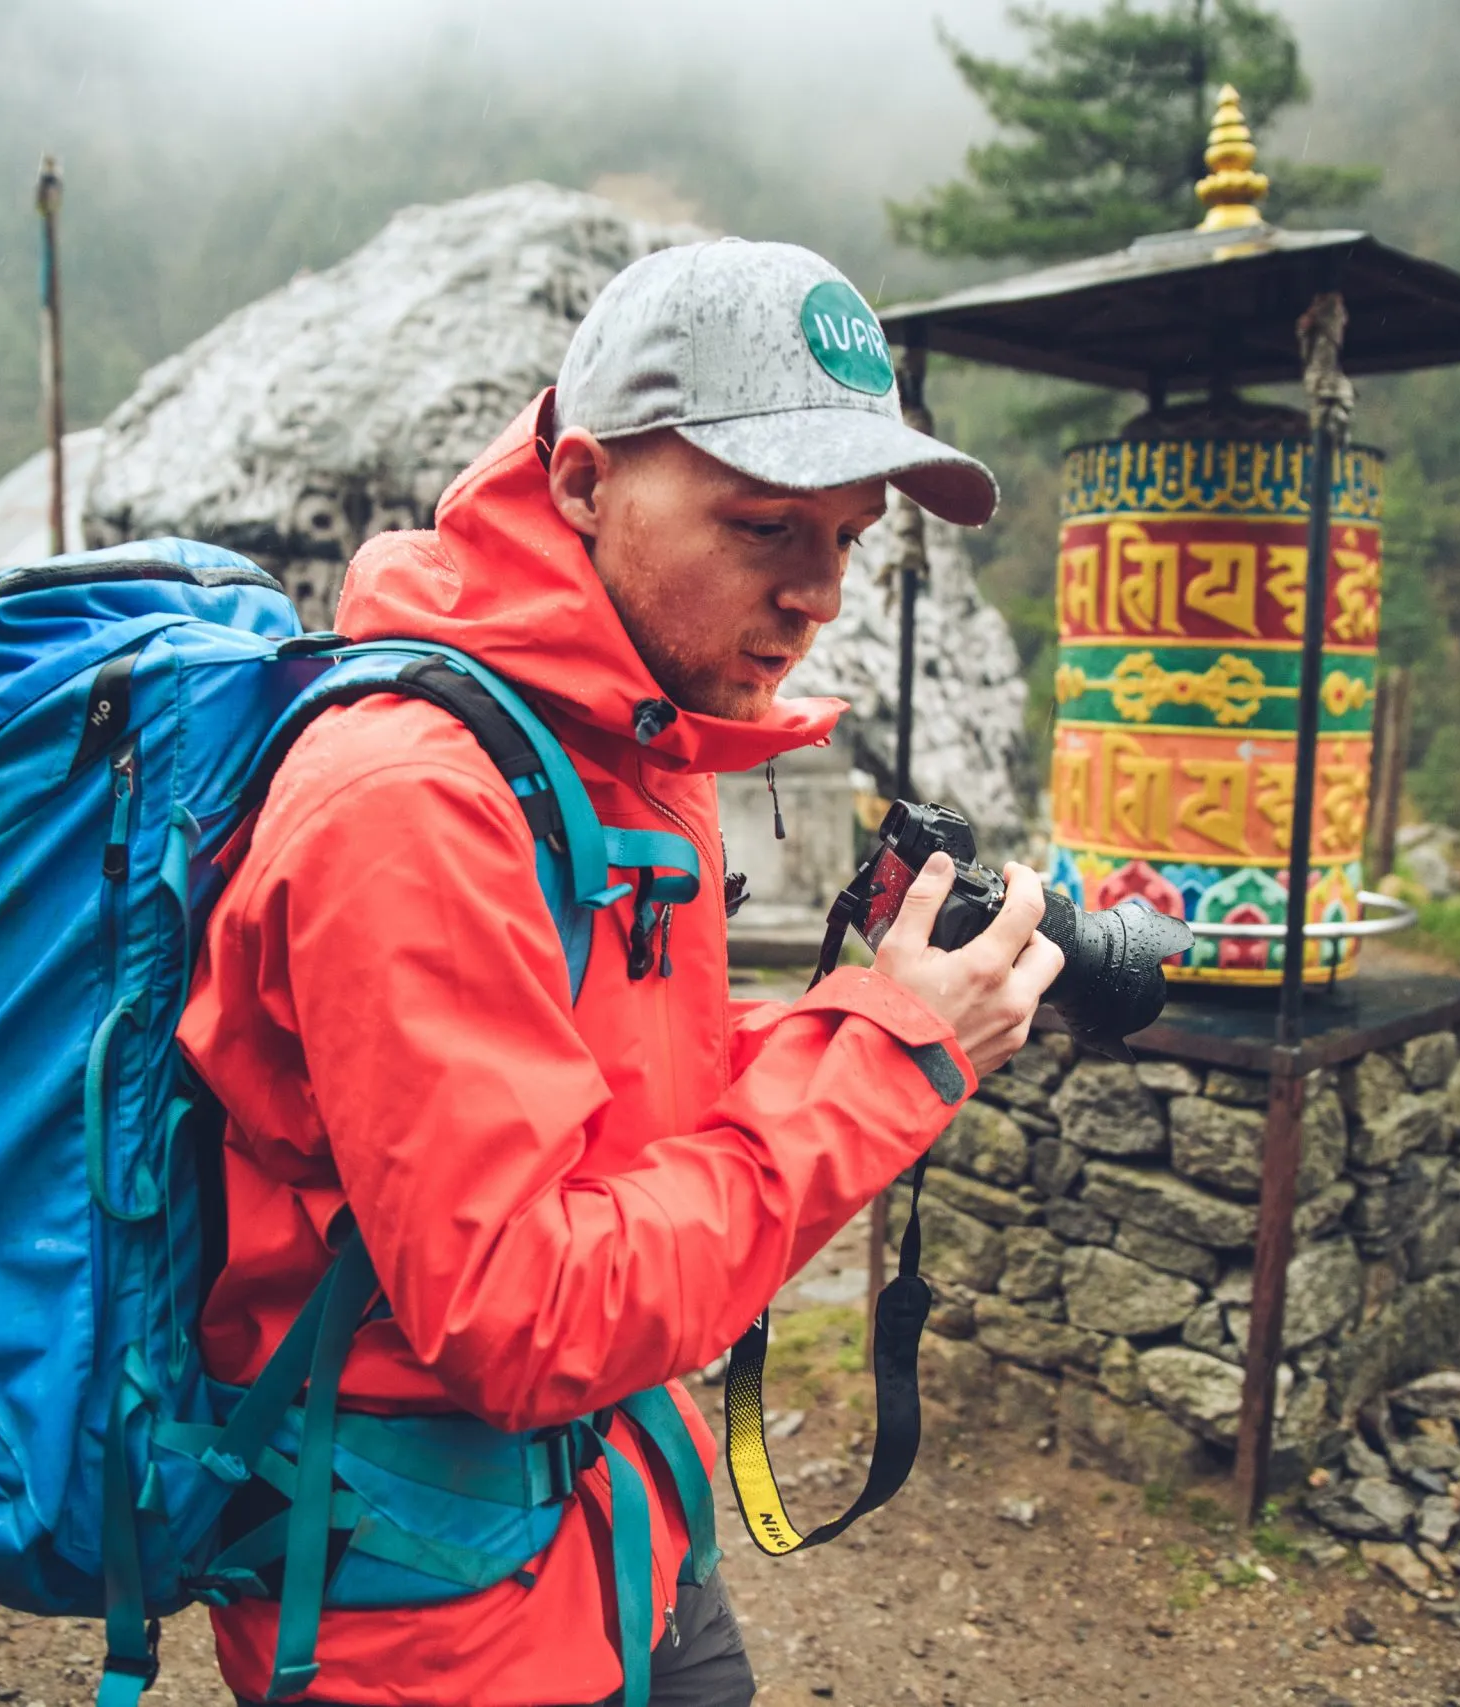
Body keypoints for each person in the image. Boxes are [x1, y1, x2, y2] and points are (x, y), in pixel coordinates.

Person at [177, 238, 1064, 1707]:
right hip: (431, 1609)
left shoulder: (630, 733)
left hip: (621, 1516)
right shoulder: (413, 803)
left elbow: (633, 1098)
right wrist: (890, 1055)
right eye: (767, 525)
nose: (820, 595)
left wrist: (886, 1008)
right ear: (586, 482)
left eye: (849, 539)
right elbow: (522, 1313)